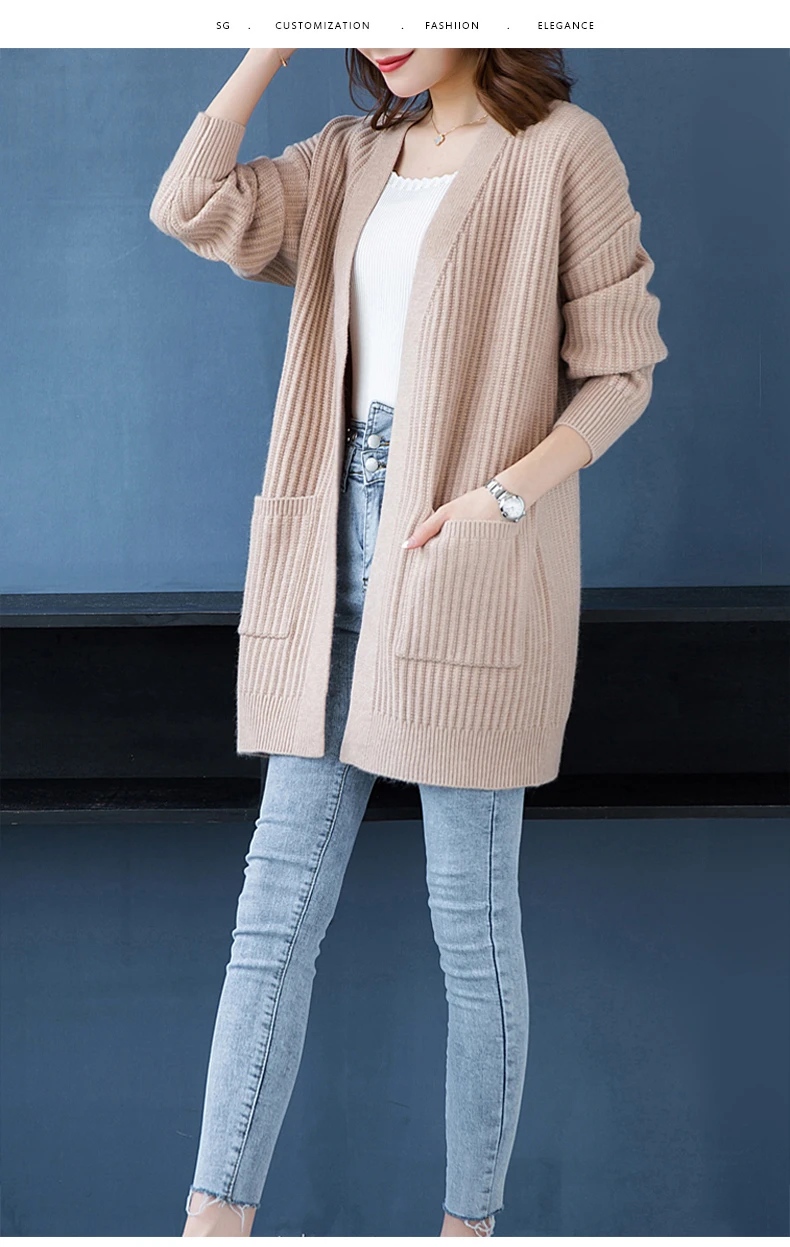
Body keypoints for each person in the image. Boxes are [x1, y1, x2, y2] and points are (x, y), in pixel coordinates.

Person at [148, 47, 668, 1237]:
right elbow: (191, 203)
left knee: (469, 930)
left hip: (461, 553)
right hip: (327, 548)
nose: (382, 30)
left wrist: (502, 501)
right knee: (270, 917)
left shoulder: (560, 154)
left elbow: (620, 375)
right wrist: (271, 40)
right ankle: (212, 1222)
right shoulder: (349, 155)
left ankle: (466, 1227)